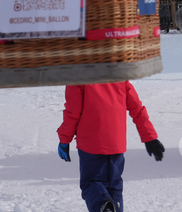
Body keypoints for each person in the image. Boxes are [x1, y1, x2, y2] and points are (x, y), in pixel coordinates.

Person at [57, 81, 164, 212]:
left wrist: (64, 140)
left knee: (91, 182)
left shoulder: (78, 75)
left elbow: (73, 113)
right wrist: (149, 137)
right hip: (116, 143)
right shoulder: (118, 74)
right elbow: (136, 107)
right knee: (114, 186)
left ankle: (103, 206)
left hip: (91, 144)